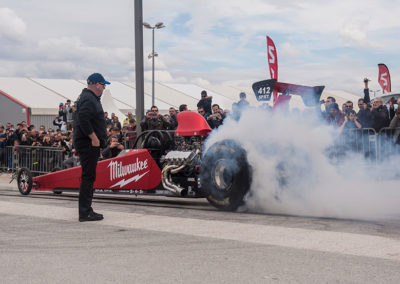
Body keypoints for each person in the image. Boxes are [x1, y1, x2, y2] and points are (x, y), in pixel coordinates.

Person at [73, 73, 109, 222]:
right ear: (96, 84)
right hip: (88, 143)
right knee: (88, 177)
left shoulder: (87, 97)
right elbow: (83, 118)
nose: (104, 88)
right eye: (103, 85)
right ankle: (85, 212)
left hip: (86, 142)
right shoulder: (89, 98)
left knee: (88, 177)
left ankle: (87, 209)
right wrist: (93, 137)